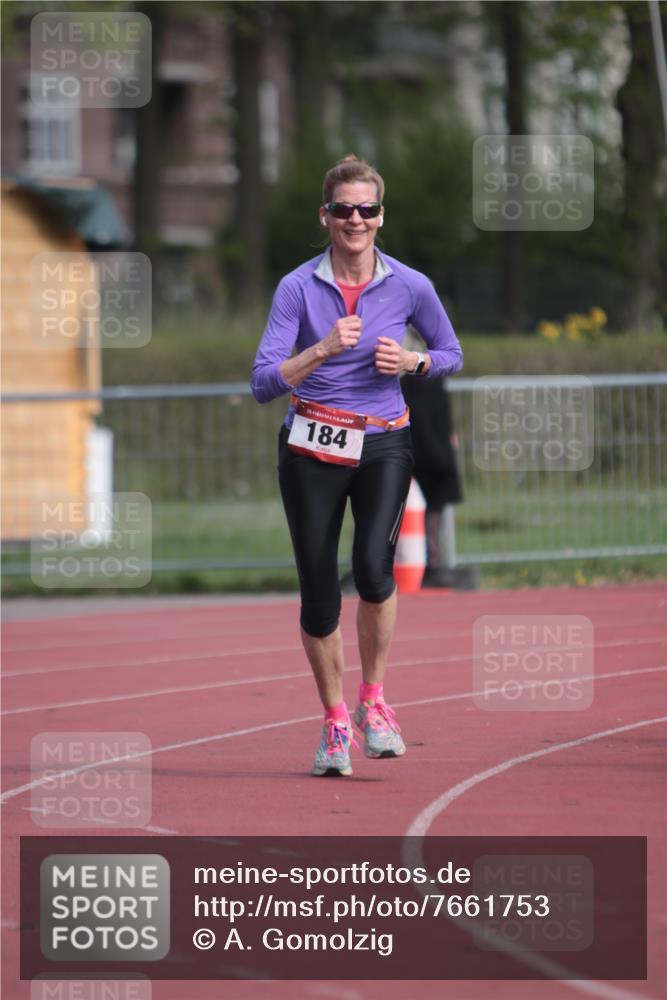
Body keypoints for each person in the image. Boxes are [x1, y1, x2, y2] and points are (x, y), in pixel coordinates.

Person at [251, 154, 463, 776]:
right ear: (325, 216)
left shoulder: (409, 284)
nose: (355, 219)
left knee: (373, 568)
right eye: (343, 208)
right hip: (311, 447)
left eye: (366, 209)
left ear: (380, 216)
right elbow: (264, 381)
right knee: (319, 594)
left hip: (383, 442)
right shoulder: (297, 287)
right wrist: (320, 348)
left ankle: (375, 702)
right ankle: (335, 723)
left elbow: (451, 352)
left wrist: (414, 363)